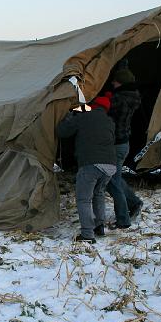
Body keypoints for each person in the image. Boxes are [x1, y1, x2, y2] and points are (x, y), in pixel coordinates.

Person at [57, 94, 117, 243]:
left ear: (92, 106)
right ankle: (99, 226)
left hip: (90, 164)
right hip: (110, 165)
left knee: (83, 199)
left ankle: (87, 235)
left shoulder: (84, 118)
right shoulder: (110, 122)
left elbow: (62, 131)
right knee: (99, 194)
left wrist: (68, 116)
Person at [105, 66, 144, 229]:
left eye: (115, 81)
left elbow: (101, 109)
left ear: (120, 82)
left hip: (114, 145)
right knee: (116, 178)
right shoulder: (134, 96)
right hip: (123, 143)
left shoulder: (118, 99)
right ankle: (134, 202)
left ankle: (123, 218)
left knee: (111, 181)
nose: (112, 83)